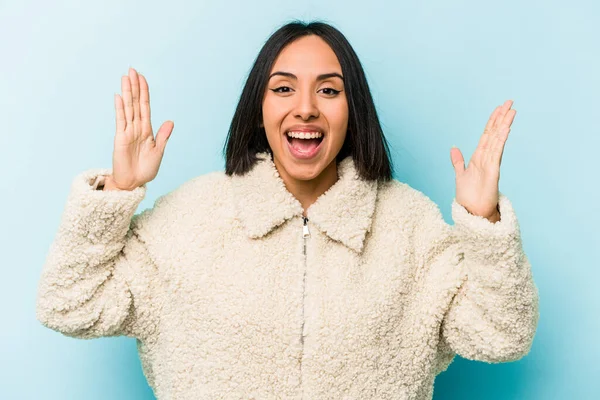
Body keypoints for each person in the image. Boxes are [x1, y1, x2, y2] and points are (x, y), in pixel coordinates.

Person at [35, 20, 539, 400]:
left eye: (328, 89)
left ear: (352, 110)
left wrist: (485, 223)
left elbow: (504, 334)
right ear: (260, 106)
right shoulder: (188, 220)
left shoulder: (410, 227)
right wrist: (120, 188)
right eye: (283, 88)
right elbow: (69, 303)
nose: (305, 108)